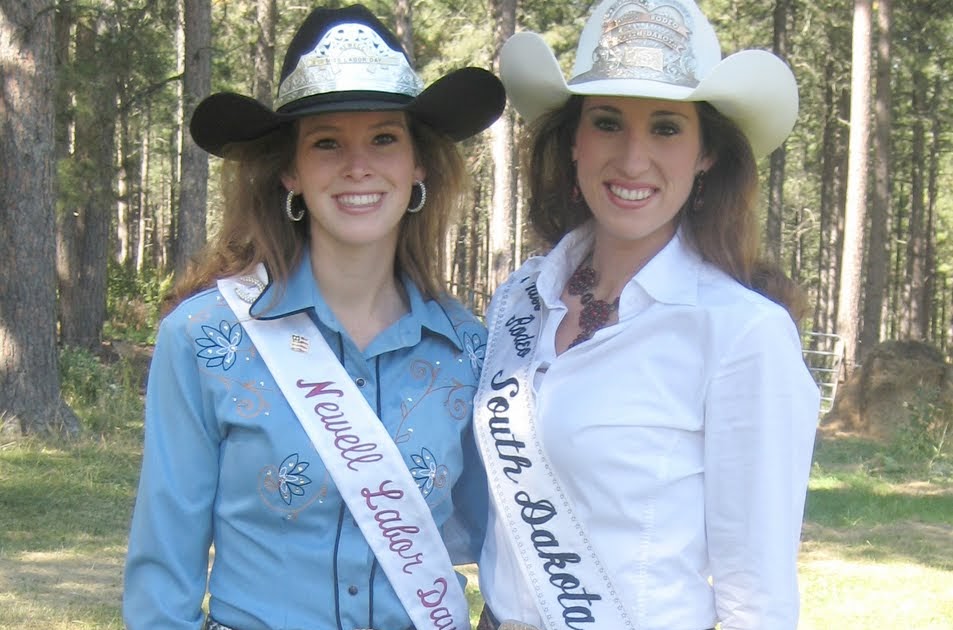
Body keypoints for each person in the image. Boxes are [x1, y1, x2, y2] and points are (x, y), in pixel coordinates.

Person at [122, 5, 504, 630]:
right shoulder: (204, 338)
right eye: (327, 142)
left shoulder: (468, 349)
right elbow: (163, 573)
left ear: (419, 164)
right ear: (290, 171)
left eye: (384, 138)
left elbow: (508, 549)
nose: (358, 166)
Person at [472, 1, 820, 629]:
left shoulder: (743, 333)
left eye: (666, 128)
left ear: (706, 152)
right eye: (608, 123)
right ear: (574, 140)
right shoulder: (521, 297)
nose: (633, 159)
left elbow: (758, 595)